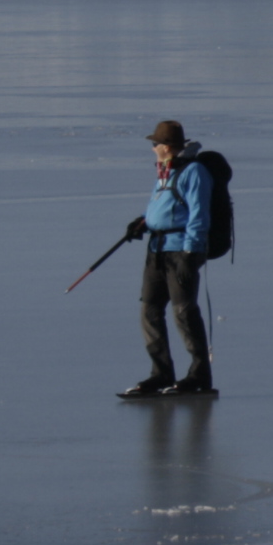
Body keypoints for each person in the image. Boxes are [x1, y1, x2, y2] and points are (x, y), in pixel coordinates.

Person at [120, 119, 216, 398]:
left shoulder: (194, 171)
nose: (152, 148)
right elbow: (161, 207)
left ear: (166, 146)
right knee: (149, 311)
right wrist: (142, 223)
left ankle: (199, 375)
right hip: (156, 251)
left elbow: (199, 215)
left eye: (155, 144)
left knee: (184, 312)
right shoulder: (165, 171)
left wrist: (190, 253)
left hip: (180, 251)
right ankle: (160, 373)